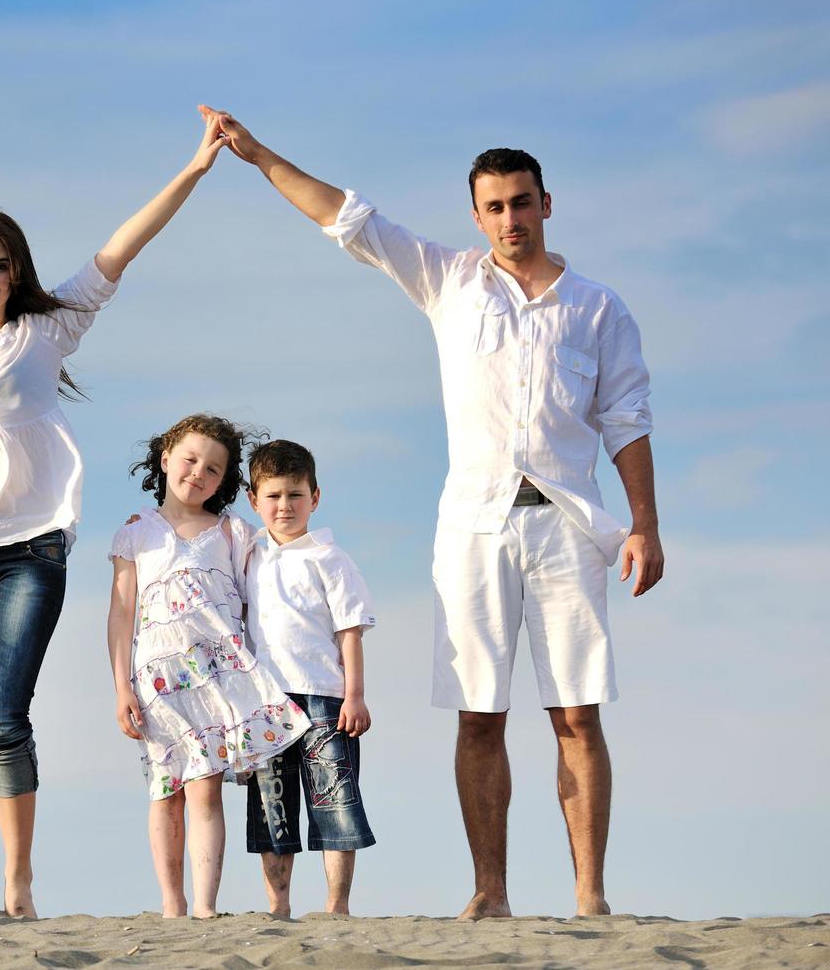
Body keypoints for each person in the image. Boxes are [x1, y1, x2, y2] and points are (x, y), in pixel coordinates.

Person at [200, 105, 664, 919]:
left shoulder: (597, 308)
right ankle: (491, 892)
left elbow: (627, 418)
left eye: (523, 202)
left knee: (577, 715)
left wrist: (645, 525)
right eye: (494, 206)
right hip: (473, 528)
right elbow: (348, 218)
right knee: (479, 715)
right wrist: (256, 153)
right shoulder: (448, 278)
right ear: (476, 215)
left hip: (567, 525)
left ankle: (590, 895)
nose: (510, 218)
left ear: (546, 205)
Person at [0, 114, 230, 918]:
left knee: (5, 718)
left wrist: (194, 167)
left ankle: (18, 883)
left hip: (30, 552)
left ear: (16, 273)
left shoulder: (47, 331)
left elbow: (121, 248)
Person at [107, 414, 311, 919]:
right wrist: (122, 688)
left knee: (204, 788)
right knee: (165, 789)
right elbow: (120, 614)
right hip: (157, 683)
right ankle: (171, 902)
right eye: (190, 460)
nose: (198, 473)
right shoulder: (136, 532)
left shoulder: (234, 531)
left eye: (214, 469)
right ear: (165, 459)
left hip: (219, 679)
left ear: (225, 481)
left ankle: (204, 905)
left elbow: (256, 603)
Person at [242, 439, 378, 917]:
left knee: (334, 801)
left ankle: (336, 906)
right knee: (271, 807)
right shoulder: (247, 553)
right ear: (253, 499)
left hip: (324, 697)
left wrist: (355, 696)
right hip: (266, 703)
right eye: (274, 496)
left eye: (296, 495)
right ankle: (278, 907)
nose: (285, 506)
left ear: (314, 497)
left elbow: (350, 632)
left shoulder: (330, 558)